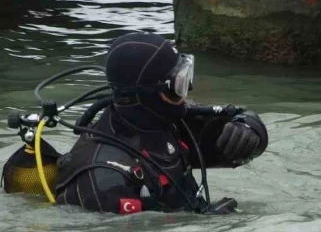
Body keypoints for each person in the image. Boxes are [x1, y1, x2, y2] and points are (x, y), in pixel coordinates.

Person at [53, 32, 268, 214]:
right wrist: (207, 224)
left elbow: (232, 150)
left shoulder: (168, 121)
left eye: (186, 76)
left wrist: (250, 129)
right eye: (179, 84)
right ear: (150, 93)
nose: (188, 90)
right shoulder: (104, 179)